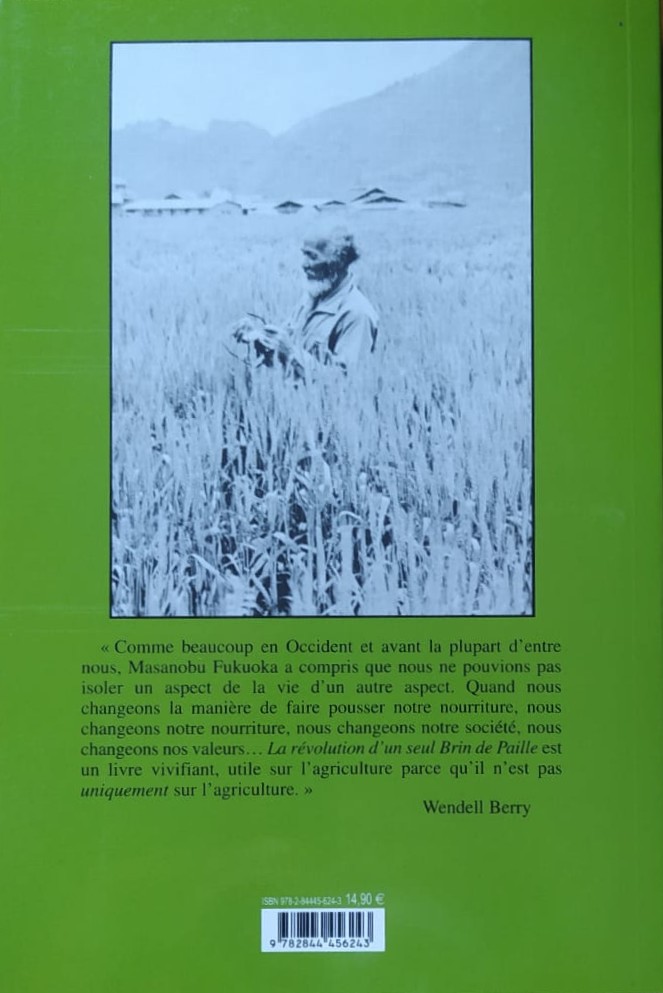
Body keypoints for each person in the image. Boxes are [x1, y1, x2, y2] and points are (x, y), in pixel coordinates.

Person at [231, 226, 379, 377]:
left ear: (339, 261)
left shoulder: (357, 315)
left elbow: (347, 383)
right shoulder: (313, 296)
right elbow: (283, 349)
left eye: (312, 256)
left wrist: (291, 354)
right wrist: (259, 335)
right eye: (304, 254)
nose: (304, 264)